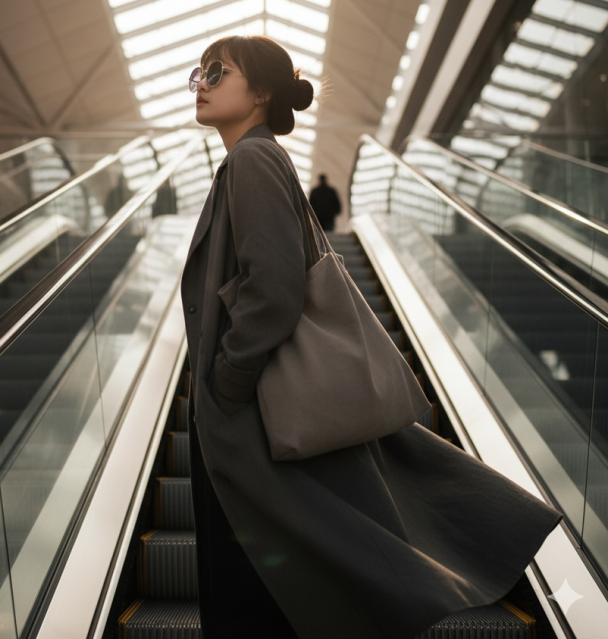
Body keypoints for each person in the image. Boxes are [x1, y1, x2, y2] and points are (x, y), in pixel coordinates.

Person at [180, 35, 561, 639]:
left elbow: (274, 287)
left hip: (250, 419)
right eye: (198, 72)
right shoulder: (253, 160)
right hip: (254, 415)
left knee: (256, 589)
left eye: (217, 71)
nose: (201, 81)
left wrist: (227, 381)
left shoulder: (253, 160)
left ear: (260, 93)